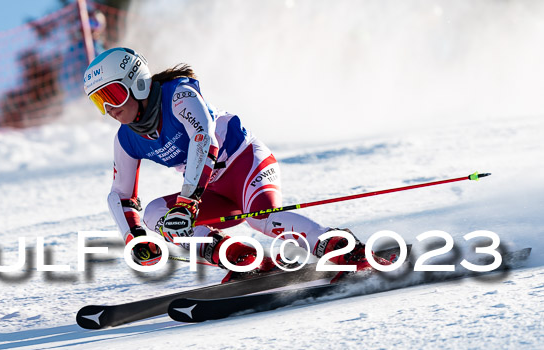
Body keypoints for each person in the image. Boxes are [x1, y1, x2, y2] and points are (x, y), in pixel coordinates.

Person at [83, 47, 388, 282]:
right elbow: (120, 196)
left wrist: (187, 203)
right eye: (100, 102)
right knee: (155, 215)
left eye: (113, 94)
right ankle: (242, 257)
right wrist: (135, 237)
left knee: (261, 218)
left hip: (246, 164)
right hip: (210, 190)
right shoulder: (126, 139)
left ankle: (343, 249)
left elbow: (204, 140)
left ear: (137, 83)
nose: (110, 109)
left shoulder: (179, 95)